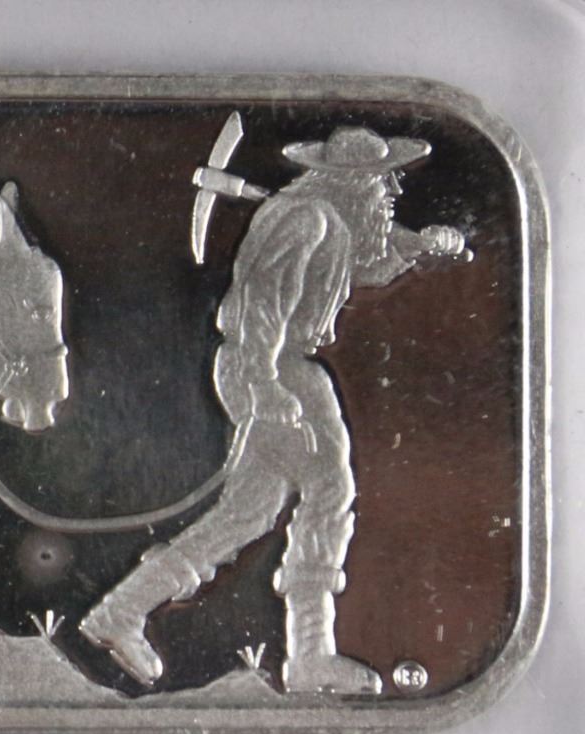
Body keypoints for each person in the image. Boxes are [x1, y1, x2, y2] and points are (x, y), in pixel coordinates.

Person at [80, 126, 468, 694]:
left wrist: (420, 245)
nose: (391, 191)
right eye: (382, 182)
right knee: (329, 491)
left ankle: (121, 611)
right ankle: (311, 656)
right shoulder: (303, 221)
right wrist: (264, 384)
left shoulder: (328, 223)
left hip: (277, 368)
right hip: (270, 366)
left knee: (248, 514)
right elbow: (261, 304)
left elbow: (363, 263)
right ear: (353, 184)